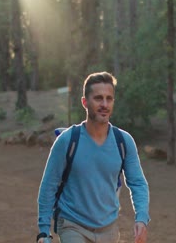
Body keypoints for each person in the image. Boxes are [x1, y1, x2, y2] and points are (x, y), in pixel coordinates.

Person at [37, 72, 150, 243]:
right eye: (98, 98)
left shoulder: (123, 142)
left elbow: (138, 183)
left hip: (109, 229)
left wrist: (141, 218)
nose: (104, 104)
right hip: (72, 225)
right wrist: (43, 232)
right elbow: (49, 185)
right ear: (85, 102)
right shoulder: (67, 141)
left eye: (109, 98)